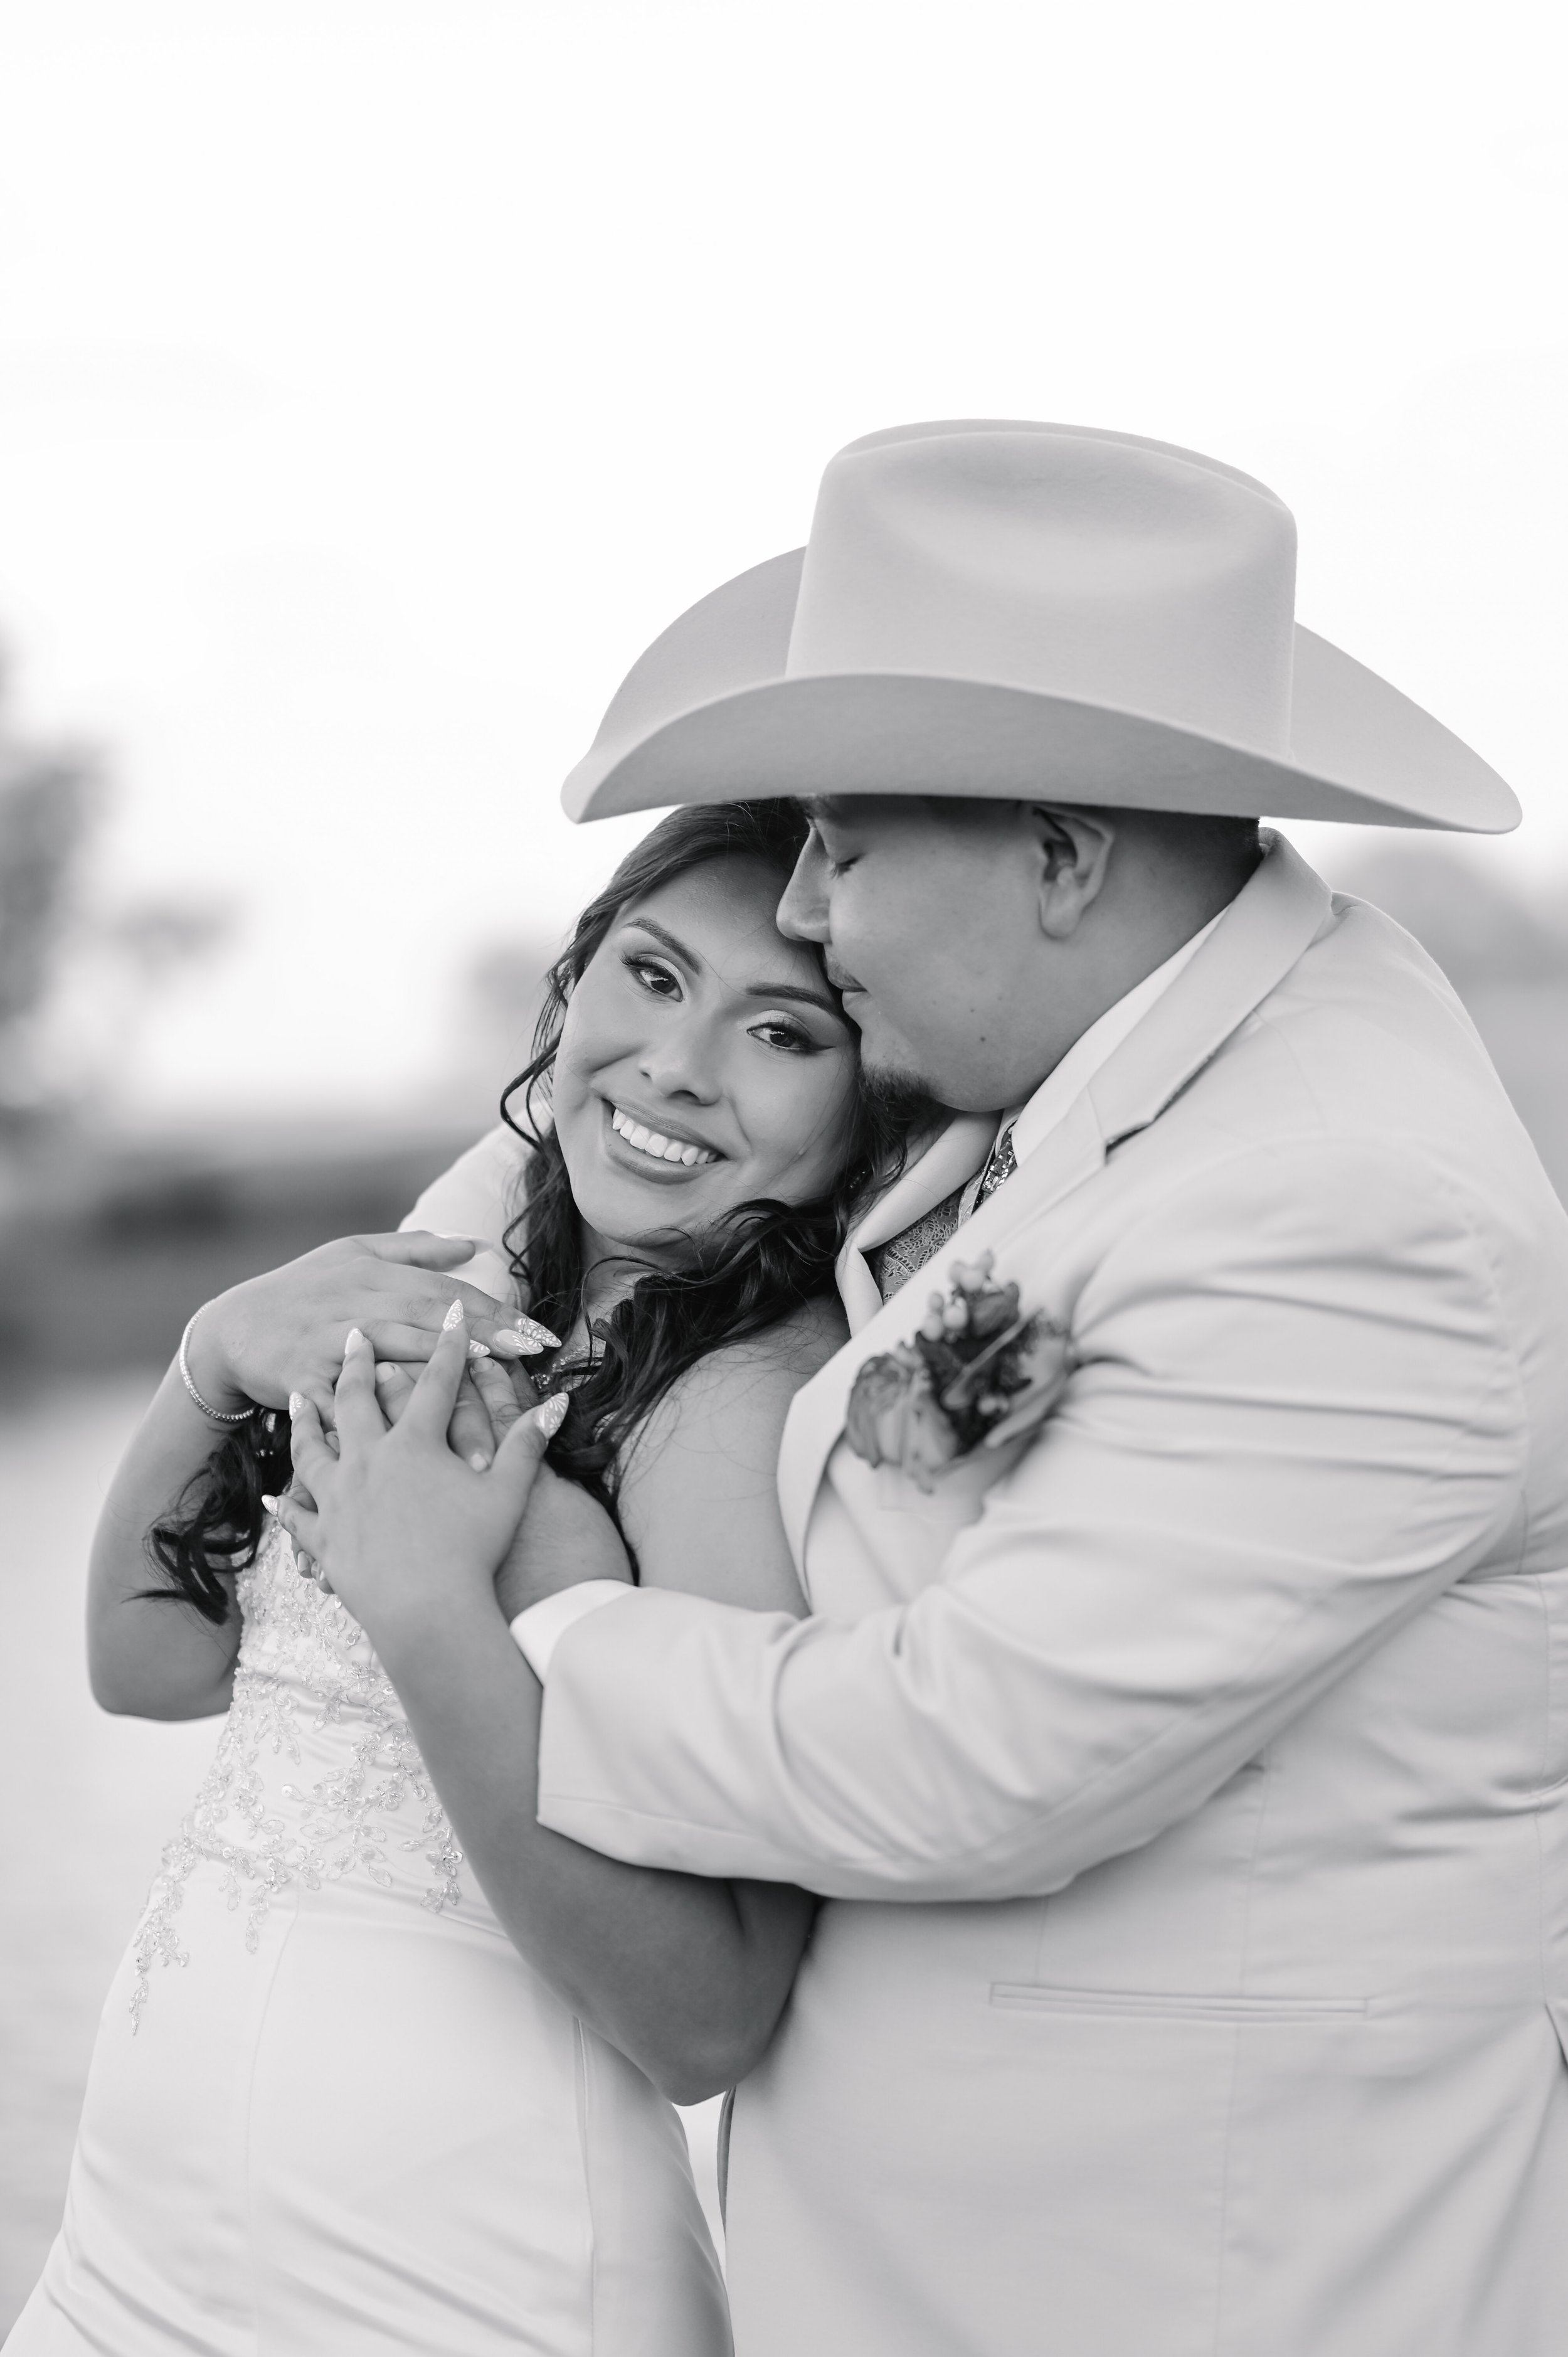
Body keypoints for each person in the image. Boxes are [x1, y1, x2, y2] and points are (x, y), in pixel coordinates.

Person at [283, 422, 1568, 2356]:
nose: (798, 904)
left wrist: (521, 1592)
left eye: (843, 844)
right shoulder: (1097, 1050)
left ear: (1058, 854)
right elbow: (616, 1128)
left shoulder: (1345, 1200)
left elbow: (976, 1756)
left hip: (1196, 2292)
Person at [12, 800, 905, 2357]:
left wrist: (433, 1609)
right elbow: (147, 1662)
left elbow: (709, 2015)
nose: (677, 1064)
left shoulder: (724, 1417)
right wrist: (215, 1353)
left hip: (448, 2286)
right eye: (648, 974)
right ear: (569, 989)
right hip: (129, 2265)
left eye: (778, 1028)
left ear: (862, 1105)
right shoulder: (458, 1300)